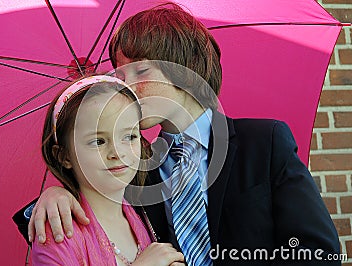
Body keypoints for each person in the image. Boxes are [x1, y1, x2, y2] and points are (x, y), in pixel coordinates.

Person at [20, 3, 340, 265]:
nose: (125, 85)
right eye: (119, 71)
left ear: (184, 69)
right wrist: (57, 193)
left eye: (140, 70)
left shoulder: (264, 141)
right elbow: (93, 198)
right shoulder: (135, 162)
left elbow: (319, 252)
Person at [31, 74, 185, 265]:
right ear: (64, 156)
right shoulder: (58, 235)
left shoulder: (148, 211)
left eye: (129, 137)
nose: (118, 153)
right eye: (98, 141)